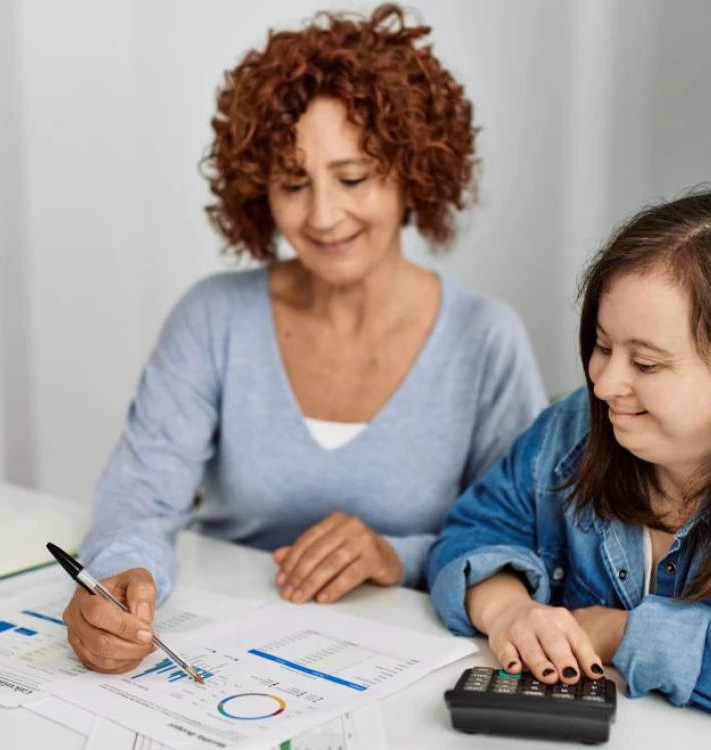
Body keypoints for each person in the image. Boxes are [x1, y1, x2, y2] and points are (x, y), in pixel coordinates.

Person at [63, 4, 546, 675]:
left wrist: (392, 555)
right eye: (293, 184)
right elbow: (139, 498)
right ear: (259, 194)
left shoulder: (484, 339)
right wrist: (117, 577)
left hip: (410, 665)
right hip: (218, 648)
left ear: (413, 172)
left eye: (353, 179)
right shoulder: (214, 318)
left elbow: (521, 537)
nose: (322, 215)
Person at [427, 188, 711, 711]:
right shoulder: (571, 428)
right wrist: (506, 608)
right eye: (603, 347)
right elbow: (473, 530)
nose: (604, 386)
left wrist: (620, 632)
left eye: (645, 364)